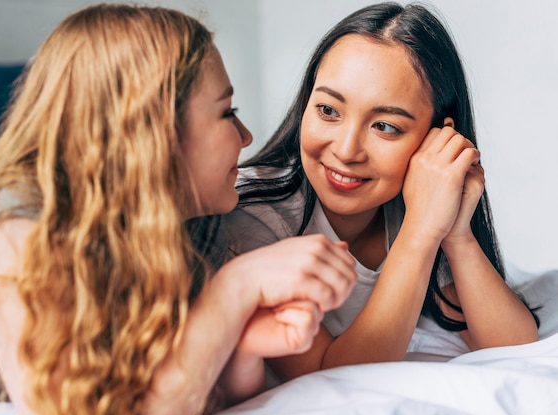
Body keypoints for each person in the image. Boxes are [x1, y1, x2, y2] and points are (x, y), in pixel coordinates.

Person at [0, 4, 357, 415]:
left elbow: (191, 396)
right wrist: (234, 288)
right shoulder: (16, 232)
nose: (246, 137)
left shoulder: (191, 223)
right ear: (151, 132)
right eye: (227, 112)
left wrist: (244, 343)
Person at [225, 1, 540, 383]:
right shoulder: (252, 215)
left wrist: (456, 233)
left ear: (437, 139)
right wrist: (421, 234)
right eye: (328, 110)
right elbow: (330, 379)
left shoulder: (411, 202)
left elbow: (514, 346)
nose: (346, 150)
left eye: (385, 127)